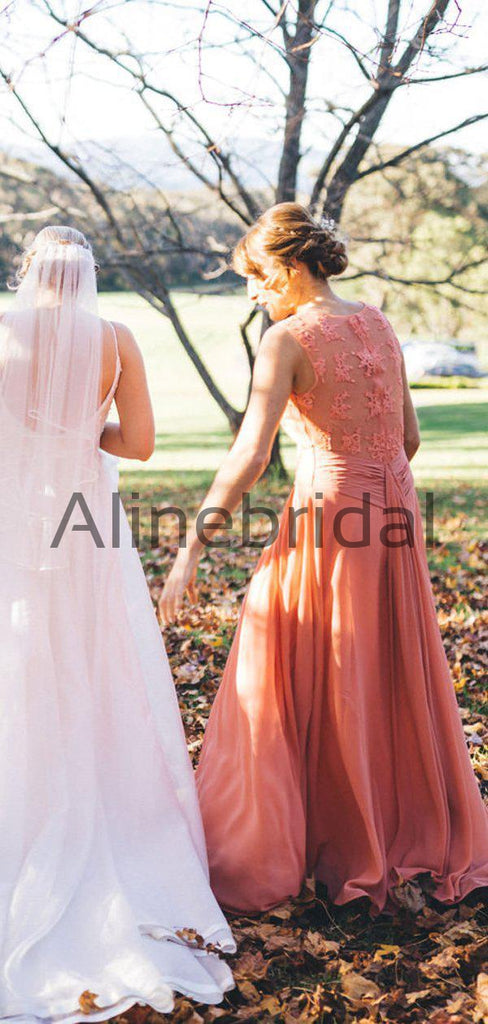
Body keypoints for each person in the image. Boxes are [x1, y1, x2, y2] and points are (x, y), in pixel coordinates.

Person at [159, 202, 488, 915]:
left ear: (290, 265)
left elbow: (250, 456)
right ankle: (387, 826)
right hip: (391, 506)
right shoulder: (377, 320)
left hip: (333, 515)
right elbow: (409, 438)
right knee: (381, 667)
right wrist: (375, 480)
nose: (253, 292)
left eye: (256, 276)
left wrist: (191, 548)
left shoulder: (286, 340)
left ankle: (323, 838)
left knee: (307, 662)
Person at [0, 225, 234, 1023]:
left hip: (14, 520)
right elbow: (137, 444)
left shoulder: (1, 328)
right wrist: (76, 433)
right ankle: (103, 810)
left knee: (19, 661)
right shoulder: (116, 337)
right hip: (85, 520)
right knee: (95, 666)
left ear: (29, 273)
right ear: (92, 277)